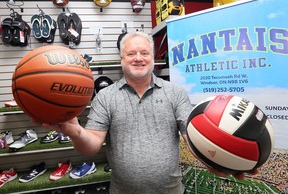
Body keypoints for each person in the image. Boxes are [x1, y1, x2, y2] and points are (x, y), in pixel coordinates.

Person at [37, 31, 256, 194]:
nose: (138, 58)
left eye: (144, 53)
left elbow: (193, 134)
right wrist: (75, 131)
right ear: (121, 59)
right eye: (131, 53)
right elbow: (92, 145)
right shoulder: (105, 96)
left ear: (152, 57)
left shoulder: (175, 92)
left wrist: (217, 158)